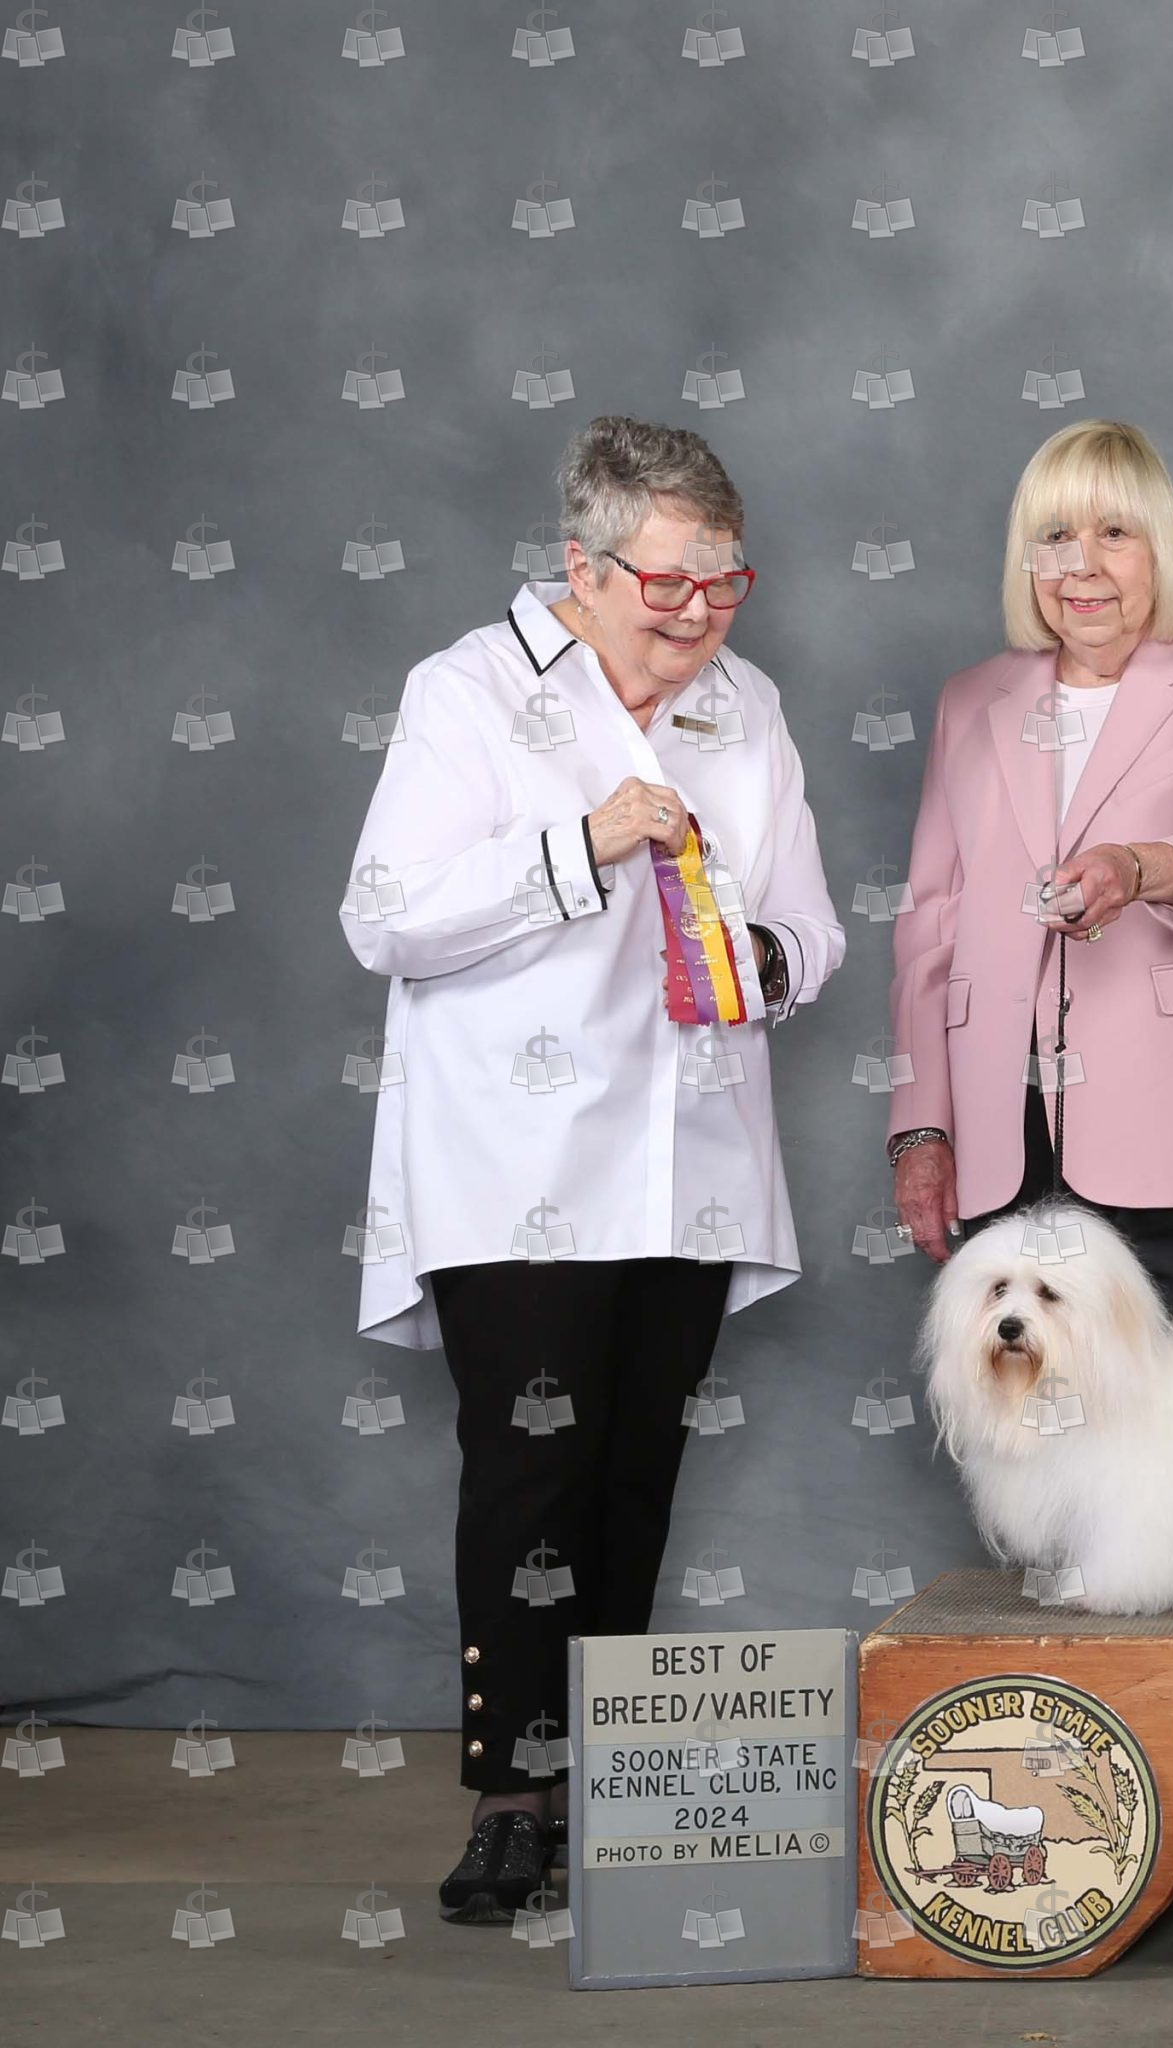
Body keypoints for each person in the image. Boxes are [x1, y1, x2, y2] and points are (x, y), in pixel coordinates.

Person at [337, 416, 845, 1921]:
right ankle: (511, 1796)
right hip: (514, 1162)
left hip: (688, 1157)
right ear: (582, 562)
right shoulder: (467, 690)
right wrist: (583, 845)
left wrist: (755, 955)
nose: (698, 614)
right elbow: (386, 916)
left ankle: (604, 1787)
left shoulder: (748, 708)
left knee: (635, 1470)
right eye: (667, 584)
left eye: (725, 582)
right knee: (532, 1473)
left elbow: (813, 925)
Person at [886, 418, 1173, 1312]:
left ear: (1160, 548)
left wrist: (1141, 867)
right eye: (1055, 536)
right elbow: (930, 926)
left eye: (1114, 533)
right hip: (1011, 1148)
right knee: (1037, 1404)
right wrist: (921, 1127)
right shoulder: (969, 702)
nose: (1081, 566)